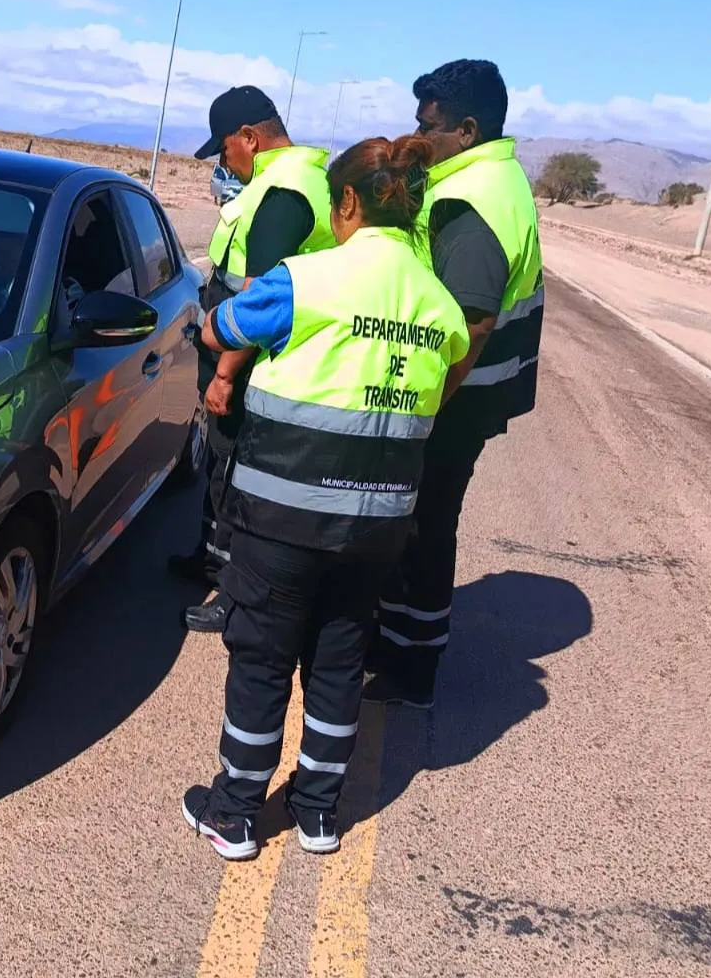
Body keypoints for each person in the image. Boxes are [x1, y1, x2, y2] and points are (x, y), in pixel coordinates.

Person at [181, 135, 470, 860]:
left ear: (346, 203)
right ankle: (316, 813)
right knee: (339, 661)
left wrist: (226, 317)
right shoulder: (438, 303)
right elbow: (452, 364)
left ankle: (235, 813)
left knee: (261, 657)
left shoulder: (306, 280)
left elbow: (222, 328)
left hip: (284, 516)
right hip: (376, 525)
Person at [365, 59, 545, 709]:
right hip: (470, 394)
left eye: (428, 126)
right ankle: (394, 640)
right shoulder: (489, 178)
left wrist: (426, 408)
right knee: (419, 521)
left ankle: (413, 666)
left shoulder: (471, 201)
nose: (418, 135)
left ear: (467, 130)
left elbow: (473, 320)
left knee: (424, 526)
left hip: (456, 400)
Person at [168, 85, 336, 634]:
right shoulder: (289, 180)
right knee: (222, 462)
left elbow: (258, 303)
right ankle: (211, 558)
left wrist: (223, 373)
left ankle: (235, 592)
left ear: (250, 137)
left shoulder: (283, 194)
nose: (223, 161)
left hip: (253, 365)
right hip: (244, 358)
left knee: (242, 475)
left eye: (224, 149)